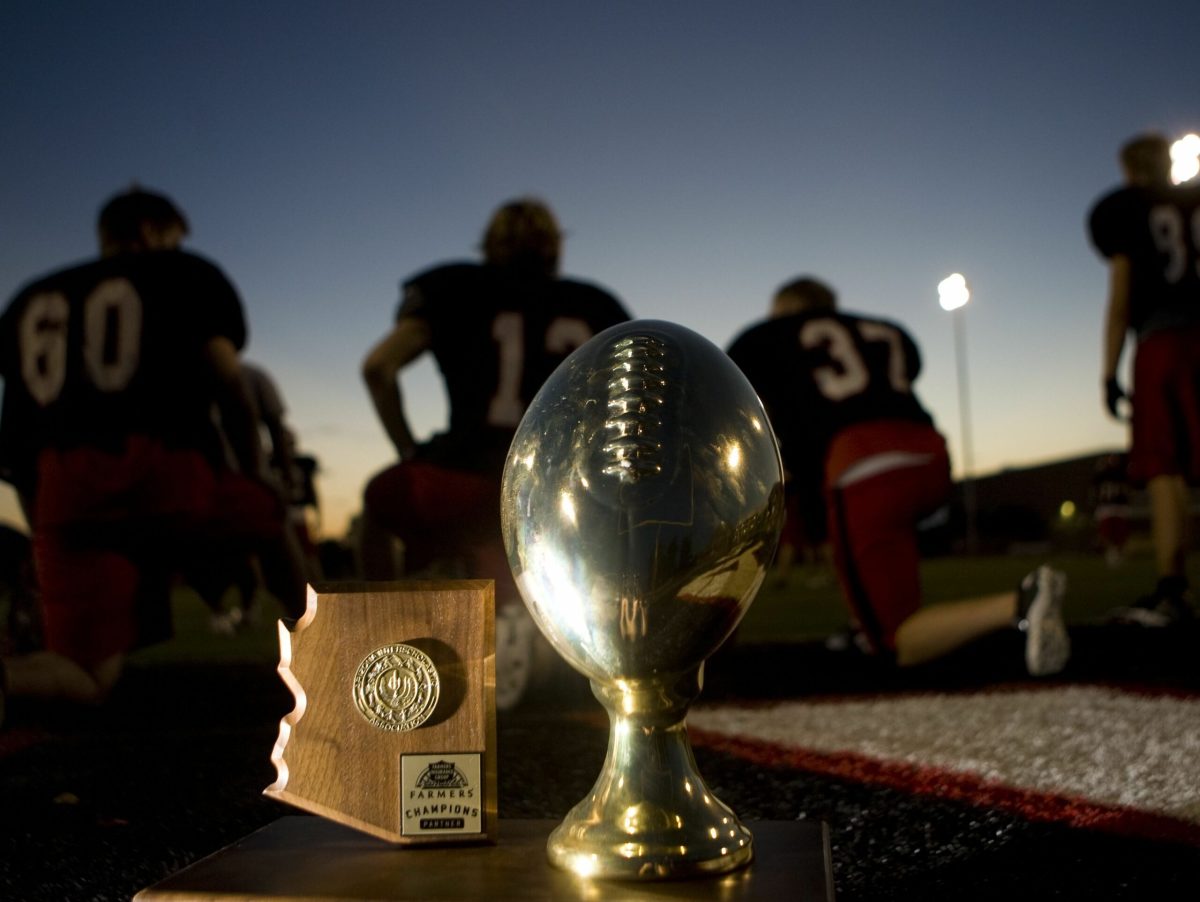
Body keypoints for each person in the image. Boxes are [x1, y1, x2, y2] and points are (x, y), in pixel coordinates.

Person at [0, 187, 300, 716]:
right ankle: (327, 648)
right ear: (152, 232)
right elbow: (228, 380)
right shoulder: (182, 273)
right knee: (269, 516)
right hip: (167, 473)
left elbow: (20, 440)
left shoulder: (30, 298)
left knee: (88, 677)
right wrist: (253, 474)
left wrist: (45, 534)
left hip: (68, 494)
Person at [360, 198, 630, 705]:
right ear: (554, 246)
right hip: (559, 488)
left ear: (489, 242)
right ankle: (578, 641)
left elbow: (378, 368)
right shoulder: (593, 304)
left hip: (463, 470)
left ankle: (388, 645)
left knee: (381, 505)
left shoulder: (453, 287)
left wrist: (408, 451)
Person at [727, 276, 1070, 675]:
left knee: (895, 644)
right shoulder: (883, 330)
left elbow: (756, 416)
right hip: (930, 455)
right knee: (880, 577)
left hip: (864, 466)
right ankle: (868, 620)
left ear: (784, 310)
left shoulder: (767, 338)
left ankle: (1020, 604)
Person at [1088, 132, 1200, 626]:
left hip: (1164, 342)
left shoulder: (1124, 209)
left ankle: (1171, 589)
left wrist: (1109, 371)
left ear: (1129, 170)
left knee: (1164, 469)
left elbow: (1121, 296)